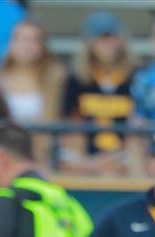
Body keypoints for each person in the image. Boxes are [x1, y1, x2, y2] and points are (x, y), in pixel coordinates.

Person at [58, 11, 135, 177]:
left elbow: (138, 124)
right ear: (90, 43)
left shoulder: (134, 77)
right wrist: (89, 162)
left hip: (124, 157)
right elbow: (70, 125)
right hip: (86, 158)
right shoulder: (77, 80)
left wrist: (115, 159)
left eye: (111, 38)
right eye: (101, 38)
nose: (107, 44)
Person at [0, 19, 64, 160]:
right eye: (22, 40)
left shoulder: (55, 77)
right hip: (6, 151)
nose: (27, 46)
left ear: (42, 46)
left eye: (34, 40)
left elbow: (53, 120)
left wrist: (39, 151)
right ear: (11, 44)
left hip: (43, 152)